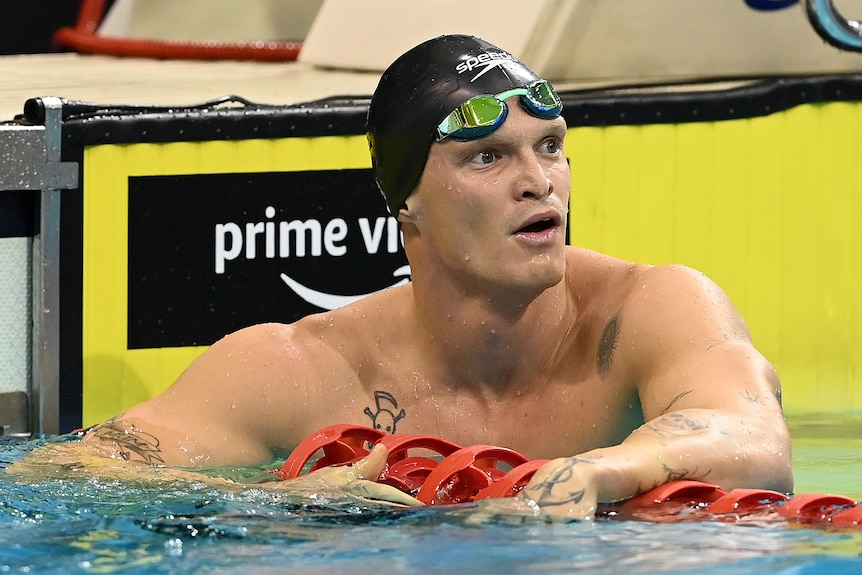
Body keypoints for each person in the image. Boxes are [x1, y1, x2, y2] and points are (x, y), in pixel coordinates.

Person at [70, 34, 793, 518]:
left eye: (550, 147)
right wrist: (274, 501)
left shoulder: (651, 309)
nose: (540, 182)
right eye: (488, 157)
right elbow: (64, 477)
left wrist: (612, 469)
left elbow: (756, 440)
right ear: (406, 202)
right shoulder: (307, 371)